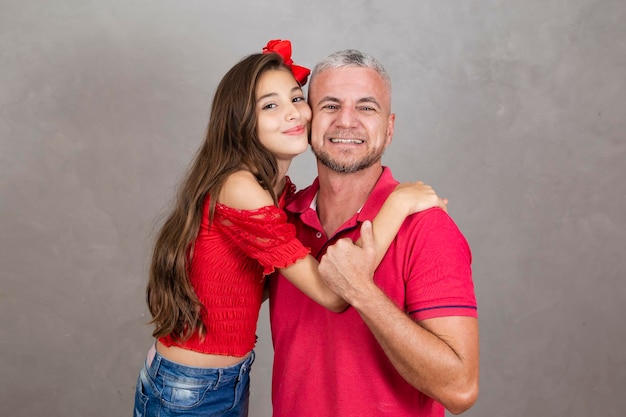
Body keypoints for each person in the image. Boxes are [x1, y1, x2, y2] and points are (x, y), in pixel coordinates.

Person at [133, 40, 448, 417]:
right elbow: (334, 295)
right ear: (241, 123)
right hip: (189, 386)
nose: (292, 114)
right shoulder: (240, 187)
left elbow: (240, 289)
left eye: (297, 99)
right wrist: (397, 204)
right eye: (270, 106)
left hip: (227, 378)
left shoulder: (277, 193)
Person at [269, 49, 479, 417]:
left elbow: (460, 390)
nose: (346, 122)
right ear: (306, 119)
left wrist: (362, 292)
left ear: (390, 127)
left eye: (367, 108)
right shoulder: (279, 220)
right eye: (330, 106)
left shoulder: (427, 228)